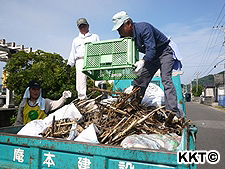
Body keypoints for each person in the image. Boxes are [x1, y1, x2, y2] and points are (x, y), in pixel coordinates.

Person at [111, 11, 182, 117]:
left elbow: (151, 49)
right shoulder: (126, 36)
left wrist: (142, 62)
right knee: (140, 80)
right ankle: (133, 107)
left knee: (166, 80)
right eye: (117, 29)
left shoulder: (144, 28)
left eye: (120, 28)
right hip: (151, 57)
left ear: (129, 23)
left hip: (164, 52)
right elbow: (121, 50)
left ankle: (172, 112)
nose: (119, 31)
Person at [66, 18, 100, 100]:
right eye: (81, 27)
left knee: (98, 76)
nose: (83, 28)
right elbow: (73, 53)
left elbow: (99, 48)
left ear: (88, 26)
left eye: (84, 26)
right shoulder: (76, 40)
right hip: (80, 60)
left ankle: (102, 93)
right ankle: (82, 98)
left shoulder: (94, 37)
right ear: (78, 28)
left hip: (92, 59)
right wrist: (69, 64)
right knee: (80, 80)